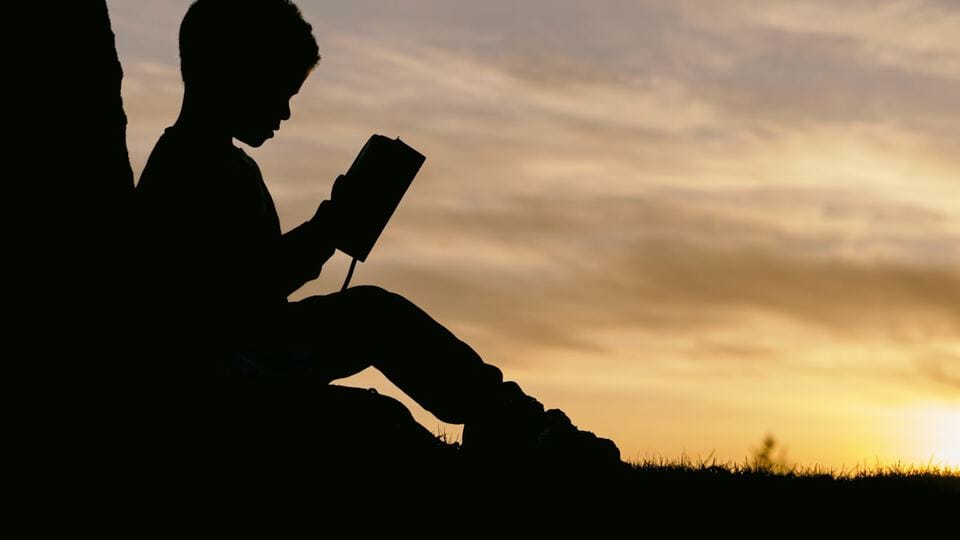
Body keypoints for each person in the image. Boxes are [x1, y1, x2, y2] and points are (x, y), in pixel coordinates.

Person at [135, 0, 619, 466]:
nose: (284, 112)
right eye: (279, 90)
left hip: (254, 355)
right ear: (234, 73)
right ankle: (518, 435)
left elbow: (256, 284)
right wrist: (328, 229)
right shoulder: (184, 171)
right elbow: (233, 299)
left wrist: (329, 227)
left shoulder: (225, 164)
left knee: (374, 315)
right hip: (223, 381)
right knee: (379, 416)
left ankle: (515, 424)